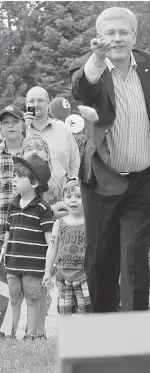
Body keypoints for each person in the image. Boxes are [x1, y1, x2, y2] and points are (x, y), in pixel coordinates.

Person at [69, 7, 150, 312]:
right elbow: (82, 90)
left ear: (135, 36)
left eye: (124, 32)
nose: (117, 39)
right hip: (102, 180)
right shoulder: (88, 65)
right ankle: (105, 330)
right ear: (99, 38)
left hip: (146, 179)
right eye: (110, 33)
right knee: (100, 258)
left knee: (134, 256)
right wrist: (97, 60)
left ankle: (134, 336)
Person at [1, 154, 53, 340]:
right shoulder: (13, 205)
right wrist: (3, 253)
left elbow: (50, 238)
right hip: (13, 264)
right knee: (13, 299)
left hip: (34, 266)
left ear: (34, 183)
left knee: (32, 300)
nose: (14, 179)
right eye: (14, 175)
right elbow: (8, 231)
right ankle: (10, 334)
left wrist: (50, 266)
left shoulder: (43, 208)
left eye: (19, 176)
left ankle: (31, 335)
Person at [21, 133, 67, 340]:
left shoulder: (57, 179)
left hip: (49, 242)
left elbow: (66, 208)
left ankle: (39, 328)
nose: (35, 151)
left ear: (48, 155)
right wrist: (49, 211)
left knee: (44, 285)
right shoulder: (20, 180)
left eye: (40, 148)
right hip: (26, 240)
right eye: (29, 148)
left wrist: (53, 212)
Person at [42, 181, 91, 315]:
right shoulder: (59, 223)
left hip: (84, 276)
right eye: (69, 197)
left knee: (87, 311)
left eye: (78, 197)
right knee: (64, 312)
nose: (73, 201)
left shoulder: (90, 223)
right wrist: (47, 271)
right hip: (62, 277)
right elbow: (51, 249)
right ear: (63, 200)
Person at [24, 85, 80, 185]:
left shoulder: (63, 129)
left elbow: (75, 163)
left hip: (63, 195)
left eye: (40, 100)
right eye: (31, 101)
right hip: (30, 195)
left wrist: (73, 183)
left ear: (48, 103)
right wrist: (23, 129)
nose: (36, 104)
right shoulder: (21, 131)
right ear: (26, 104)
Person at [0, 105, 25, 286]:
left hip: (29, 229)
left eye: (15, 121)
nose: (11, 126)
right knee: (3, 286)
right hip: (1, 227)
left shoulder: (33, 151)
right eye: (6, 122)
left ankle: (39, 315)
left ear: (23, 124)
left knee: (34, 287)